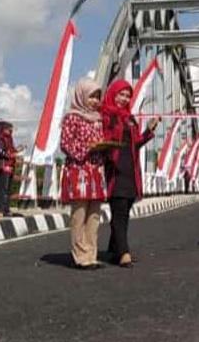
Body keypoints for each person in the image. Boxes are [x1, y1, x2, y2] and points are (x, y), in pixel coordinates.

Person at [101, 79, 159, 268]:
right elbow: (103, 141)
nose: (124, 99)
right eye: (121, 94)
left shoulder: (129, 118)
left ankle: (113, 249)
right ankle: (124, 252)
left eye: (127, 96)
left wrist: (148, 131)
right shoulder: (105, 116)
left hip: (131, 171)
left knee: (124, 212)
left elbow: (135, 144)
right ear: (112, 94)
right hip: (115, 169)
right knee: (119, 212)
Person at [59, 78, 107, 270]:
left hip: (96, 171)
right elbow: (66, 144)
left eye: (97, 97)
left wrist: (104, 146)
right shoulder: (72, 117)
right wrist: (88, 147)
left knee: (94, 215)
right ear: (81, 96)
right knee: (79, 215)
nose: (95, 101)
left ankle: (91, 255)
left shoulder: (99, 118)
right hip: (79, 172)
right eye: (91, 97)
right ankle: (80, 256)